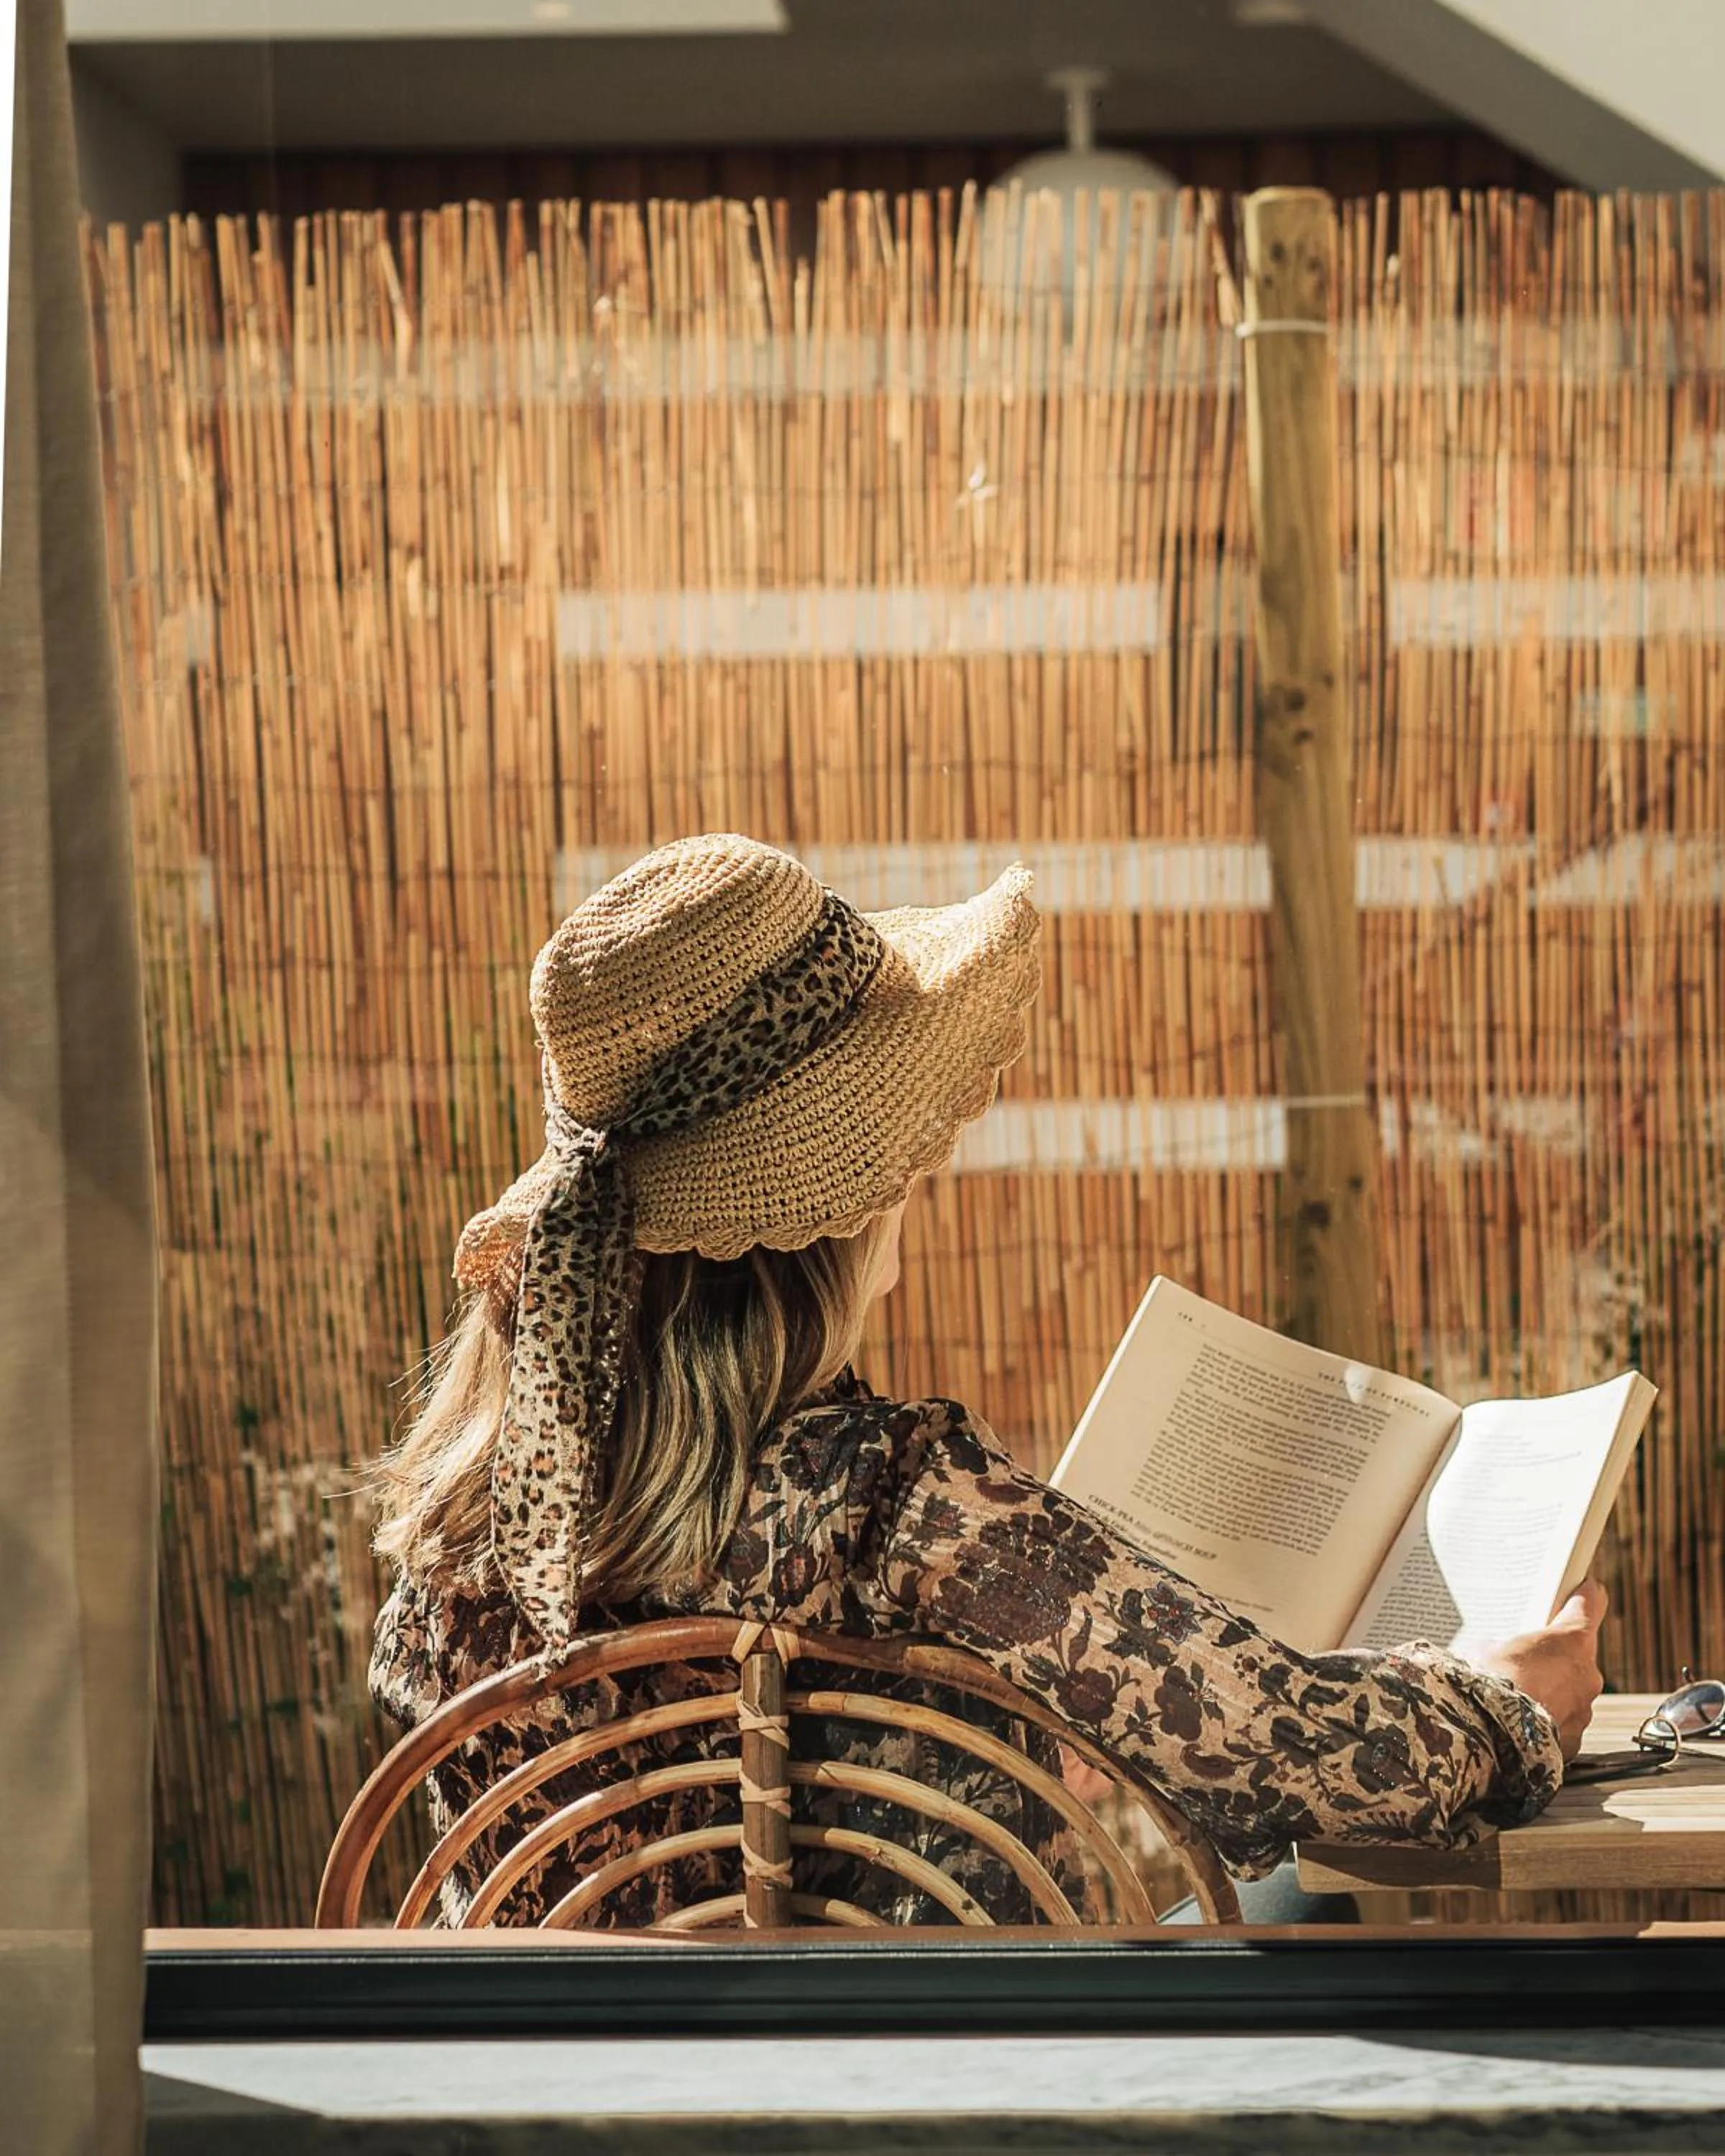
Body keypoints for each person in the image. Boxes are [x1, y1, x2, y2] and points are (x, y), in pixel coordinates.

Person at [369, 834, 1604, 1927]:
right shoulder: (888, 1501)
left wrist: (998, 1741)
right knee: (1318, 1906)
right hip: (948, 2088)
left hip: (584, 2102)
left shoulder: (457, 1530)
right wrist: (1498, 1705)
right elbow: (1297, 1755)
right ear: (836, 1206)